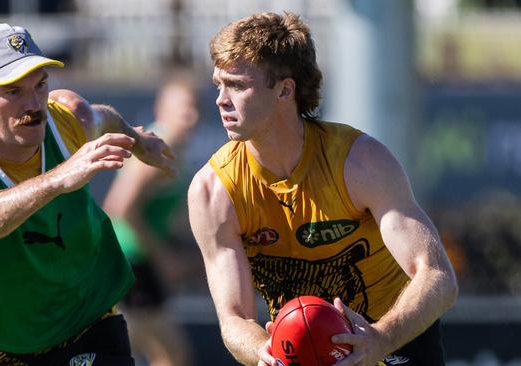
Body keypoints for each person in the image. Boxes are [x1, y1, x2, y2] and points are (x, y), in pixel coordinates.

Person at [187, 12, 458, 366]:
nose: (221, 99)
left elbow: (437, 276)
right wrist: (262, 352)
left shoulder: (359, 162)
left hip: (394, 342)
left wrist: (380, 338)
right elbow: (234, 318)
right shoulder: (214, 190)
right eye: (218, 85)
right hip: (297, 352)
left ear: (285, 89)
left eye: (237, 85)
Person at [0, 23, 174, 365]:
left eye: (40, 85)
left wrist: (139, 141)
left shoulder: (68, 119)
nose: (34, 104)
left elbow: (106, 118)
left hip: (87, 322)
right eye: (13, 92)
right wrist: (57, 179)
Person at [102, 72, 199, 366]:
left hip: (139, 264)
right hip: (130, 263)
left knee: (164, 354)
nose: (191, 116)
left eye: (195, 108)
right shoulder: (158, 150)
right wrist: (163, 258)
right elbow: (119, 207)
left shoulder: (172, 151)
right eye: (183, 107)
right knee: (170, 355)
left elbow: (171, 215)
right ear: (161, 110)